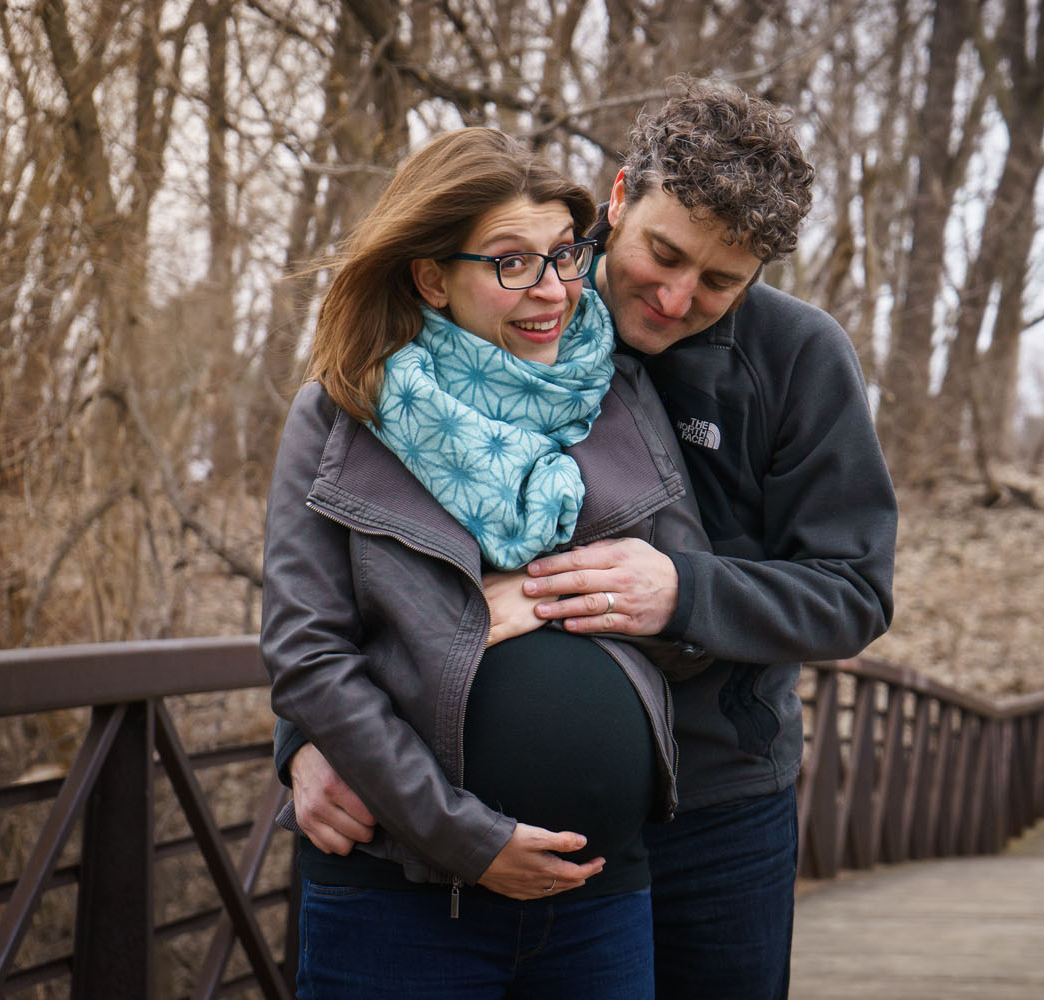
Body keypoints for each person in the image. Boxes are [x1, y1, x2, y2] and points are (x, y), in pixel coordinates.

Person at [281, 78, 899, 999]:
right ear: (617, 200)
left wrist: (682, 593)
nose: (679, 295)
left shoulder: (797, 359)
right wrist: (304, 736)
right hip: (448, 825)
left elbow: (855, 592)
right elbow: (358, 551)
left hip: (716, 802)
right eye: (663, 253)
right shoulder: (516, 313)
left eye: (721, 282)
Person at [260, 126, 713, 999]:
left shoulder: (617, 394)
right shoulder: (341, 413)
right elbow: (308, 657)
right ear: (433, 276)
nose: (553, 291)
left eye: (564, 256)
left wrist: (575, 601)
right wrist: (469, 840)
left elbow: (690, 627)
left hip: (602, 897)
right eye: (512, 263)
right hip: (403, 901)